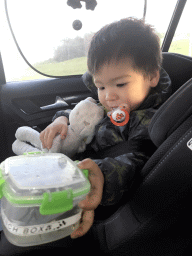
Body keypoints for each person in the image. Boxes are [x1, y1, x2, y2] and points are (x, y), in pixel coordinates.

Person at [40, 17, 172, 239]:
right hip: (74, 166)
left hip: (98, 190)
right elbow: (86, 112)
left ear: (152, 76)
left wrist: (101, 175)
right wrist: (61, 119)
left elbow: (136, 161)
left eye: (120, 84)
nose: (108, 96)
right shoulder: (113, 102)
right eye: (100, 86)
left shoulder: (149, 120)